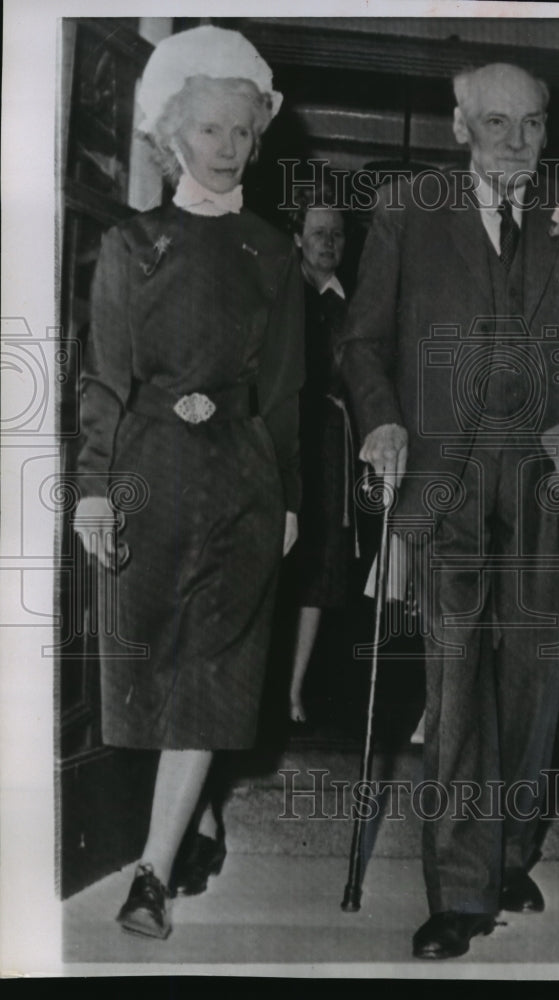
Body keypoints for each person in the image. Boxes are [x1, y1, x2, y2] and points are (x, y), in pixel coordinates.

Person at [336, 62, 559, 960]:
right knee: (459, 675)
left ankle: (509, 850)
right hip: (447, 472)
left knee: (535, 677)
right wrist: (382, 420)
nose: (517, 142)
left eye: (533, 125)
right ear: (459, 127)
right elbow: (357, 338)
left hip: (550, 469)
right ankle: (460, 890)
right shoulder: (407, 208)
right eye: (497, 124)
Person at [72, 25, 304, 939]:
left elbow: (285, 389)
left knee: (212, 672)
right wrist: (93, 484)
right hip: (148, 470)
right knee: (146, 672)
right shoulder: (132, 246)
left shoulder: (272, 252)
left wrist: (287, 498)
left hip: (241, 479)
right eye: (208, 130)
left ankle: (151, 877)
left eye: (241, 133)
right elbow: (104, 378)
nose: (225, 147)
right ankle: (195, 814)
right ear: (173, 136)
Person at [286, 194, 356, 724]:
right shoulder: (280, 294)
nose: (328, 243)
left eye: (336, 235)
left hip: (329, 443)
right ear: (297, 240)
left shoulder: (350, 303)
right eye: (318, 234)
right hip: (282, 437)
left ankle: (295, 687)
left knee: (319, 562)